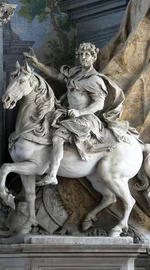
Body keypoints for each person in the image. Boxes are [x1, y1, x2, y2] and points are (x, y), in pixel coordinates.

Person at [24, 42, 132, 186]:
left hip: (86, 117)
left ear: (93, 57)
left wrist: (80, 112)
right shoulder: (75, 72)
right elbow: (58, 75)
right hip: (68, 113)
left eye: (87, 54)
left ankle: (52, 175)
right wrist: (37, 64)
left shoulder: (95, 80)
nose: (83, 57)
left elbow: (99, 104)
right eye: (81, 54)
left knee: (57, 137)